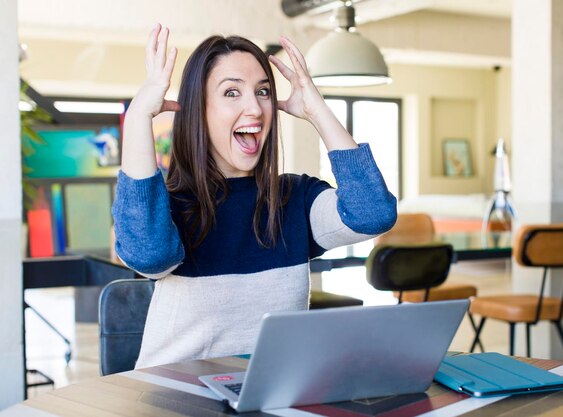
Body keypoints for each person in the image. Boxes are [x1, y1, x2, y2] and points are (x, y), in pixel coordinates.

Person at [112, 23, 397, 369]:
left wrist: (316, 111)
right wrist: (139, 115)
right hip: (176, 397)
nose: (256, 108)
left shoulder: (295, 199)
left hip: (267, 393)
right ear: (198, 109)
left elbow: (374, 214)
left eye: (263, 92)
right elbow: (149, 255)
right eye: (232, 93)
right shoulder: (171, 206)